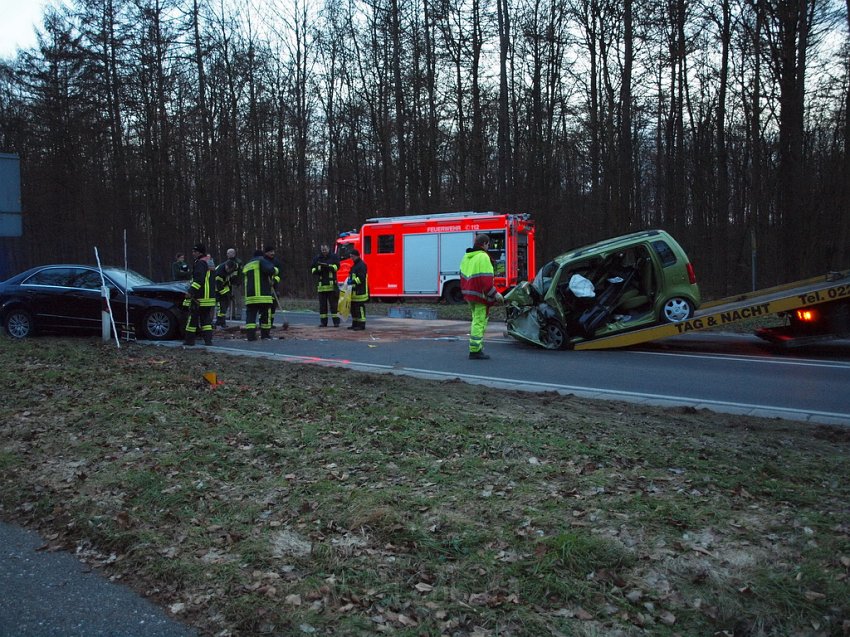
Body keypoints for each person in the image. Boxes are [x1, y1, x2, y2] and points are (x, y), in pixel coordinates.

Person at [460, 234, 503, 359]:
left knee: (476, 320)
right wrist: (495, 294)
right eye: (488, 244)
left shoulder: (466, 257)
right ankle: (475, 350)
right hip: (480, 296)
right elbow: (486, 281)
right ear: (484, 244)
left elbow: (462, 277)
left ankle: (476, 347)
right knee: (479, 322)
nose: (488, 246)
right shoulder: (483, 257)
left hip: (469, 295)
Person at [183, 244, 216, 346]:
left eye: (194, 251)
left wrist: (191, 291)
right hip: (209, 297)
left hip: (200, 297)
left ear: (199, 252)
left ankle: (189, 341)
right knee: (206, 320)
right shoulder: (209, 262)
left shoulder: (201, 263)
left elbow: (199, 280)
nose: (193, 253)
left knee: (192, 319)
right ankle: (208, 341)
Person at [243, 249, 279, 341]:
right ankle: (265, 335)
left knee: (251, 317)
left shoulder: (247, 264)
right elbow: (270, 270)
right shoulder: (262, 261)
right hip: (262, 295)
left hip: (250, 296)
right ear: (261, 256)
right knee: (265, 315)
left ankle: (250, 336)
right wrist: (275, 270)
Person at [311, 243, 340, 327]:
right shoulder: (317, 258)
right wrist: (319, 268)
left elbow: (337, 267)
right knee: (322, 307)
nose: (324, 251)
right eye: (322, 250)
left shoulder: (333, 257)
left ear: (328, 249)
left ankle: (336, 322)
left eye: (325, 250)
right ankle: (323, 323)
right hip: (321, 287)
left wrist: (328, 266)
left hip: (332, 286)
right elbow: (312, 269)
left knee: (334, 306)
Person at [346, 249, 368, 331]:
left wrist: (353, 281)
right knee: (354, 309)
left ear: (357, 256)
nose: (351, 258)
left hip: (360, 291)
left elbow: (362, 278)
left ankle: (362, 325)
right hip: (354, 291)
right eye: (350, 256)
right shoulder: (355, 265)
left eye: (352, 256)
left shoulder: (361, 265)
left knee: (359, 308)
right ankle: (355, 324)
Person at [214, 258, 239, 328]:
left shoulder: (232, 268)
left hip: (225, 285)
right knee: (221, 305)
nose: (228, 271)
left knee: (225, 305)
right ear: (226, 265)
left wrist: (235, 281)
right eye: (228, 269)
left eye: (230, 270)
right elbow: (219, 287)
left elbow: (230, 277)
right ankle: (220, 321)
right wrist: (227, 295)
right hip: (217, 288)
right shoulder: (219, 272)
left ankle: (221, 321)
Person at [263, 245, 283, 327]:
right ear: (266, 252)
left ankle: (271, 322)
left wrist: (274, 281)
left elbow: (280, 274)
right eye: (270, 252)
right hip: (264, 287)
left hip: (274, 286)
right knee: (266, 306)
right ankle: (264, 322)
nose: (272, 253)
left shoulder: (276, 262)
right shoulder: (262, 261)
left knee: (273, 305)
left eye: (273, 251)